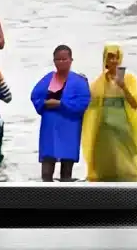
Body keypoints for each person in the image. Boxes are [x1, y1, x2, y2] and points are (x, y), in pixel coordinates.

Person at [81, 44, 137, 182]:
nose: (114, 61)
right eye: (110, 57)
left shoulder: (129, 80)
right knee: (105, 158)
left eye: (117, 57)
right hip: (104, 127)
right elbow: (90, 106)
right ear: (105, 59)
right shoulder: (99, 82)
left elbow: (135, 104)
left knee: (128, 158)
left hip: (122, 124)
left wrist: (123, 87)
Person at [32, 45, 91, 181]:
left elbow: (83, 102)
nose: (61, 62)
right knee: (47, 170)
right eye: (58, 59)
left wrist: (61, 104)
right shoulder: (48, 79)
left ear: (71, 60)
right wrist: (45, 103)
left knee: (66, 171)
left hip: (69, 126)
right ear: (54, 61)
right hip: (50, 127)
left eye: (65, 59)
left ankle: (65, 197)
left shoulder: (79, 81)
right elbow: (35, 96)